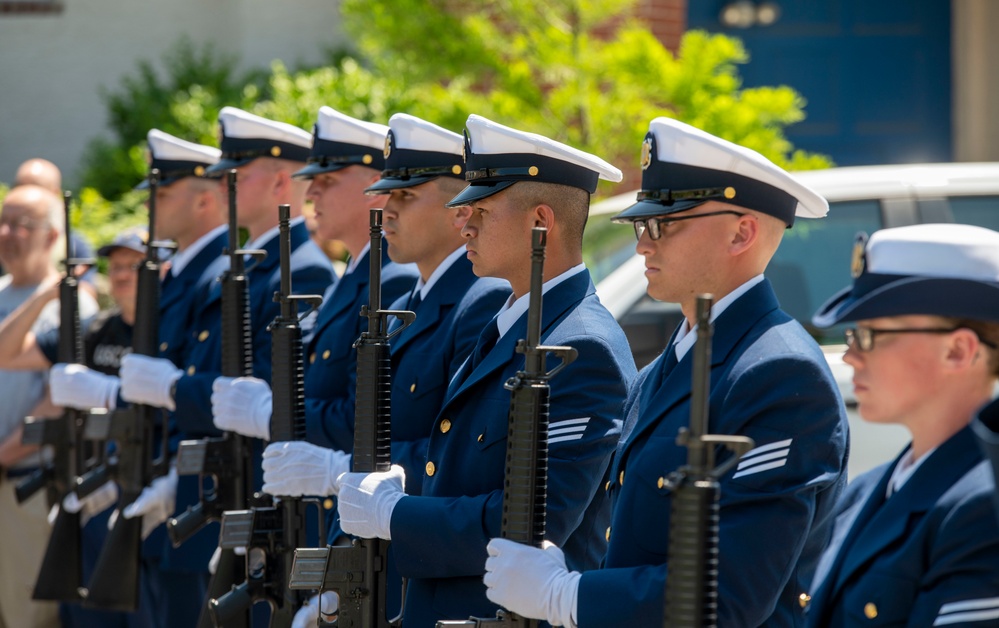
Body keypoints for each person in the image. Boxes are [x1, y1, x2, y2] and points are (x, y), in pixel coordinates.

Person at [484, 117, 848, 627]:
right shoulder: (665, 367)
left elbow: (730, 595)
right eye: (641, 225)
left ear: (742, 232)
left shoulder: (780, 374)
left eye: (664, 225)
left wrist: (566, 595)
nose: (643, 245)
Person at [332, 114, 637, 626]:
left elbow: (532, 525)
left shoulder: (582, 347)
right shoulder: (509, 327)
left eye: (482, 210)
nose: (463, 223)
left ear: (541, 222)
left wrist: (395, 514)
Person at [255, 113, 510, 625]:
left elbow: (451, 456)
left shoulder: (478, 301)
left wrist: (341, 471)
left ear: (458, 207)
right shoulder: (415, 296)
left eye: (405, 197)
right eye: (387, 196)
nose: (386, 211)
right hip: (376, 563)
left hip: (416, 573)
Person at [49, 129, 235, 627]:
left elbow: (210, 387)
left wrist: (111, 393)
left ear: (205, 199)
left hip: (190, 488)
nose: (150, 202)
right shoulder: (178, 276)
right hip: (153, 480)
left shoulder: (215, 275)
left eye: (163, 191)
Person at [803, 224, 999, 626]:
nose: (852, 357)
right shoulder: (869, 490)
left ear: (958, 350)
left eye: (870, 335)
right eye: (852, 335)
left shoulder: (985, 507)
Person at [0, 227, 146, 628]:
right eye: (114, 266)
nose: (121, 275)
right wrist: (48, 293)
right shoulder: (97, 329)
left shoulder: (167, 334)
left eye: (133, 266)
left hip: (148, 494)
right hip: (94, 495)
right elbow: (5, 351)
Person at [0, 184, 99, 628]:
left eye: (22, 225)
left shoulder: (71, 305)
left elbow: (57, 400)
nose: (8, 233)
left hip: (26, 486)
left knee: (32, 617)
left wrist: (1, 457)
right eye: (3, 222)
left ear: (53, 237)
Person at [14, 157, 99, 299]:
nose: (26, 197)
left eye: (36, 189)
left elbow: (89, 295)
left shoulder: (74, 245)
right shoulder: (5, 240)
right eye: (20, 188)